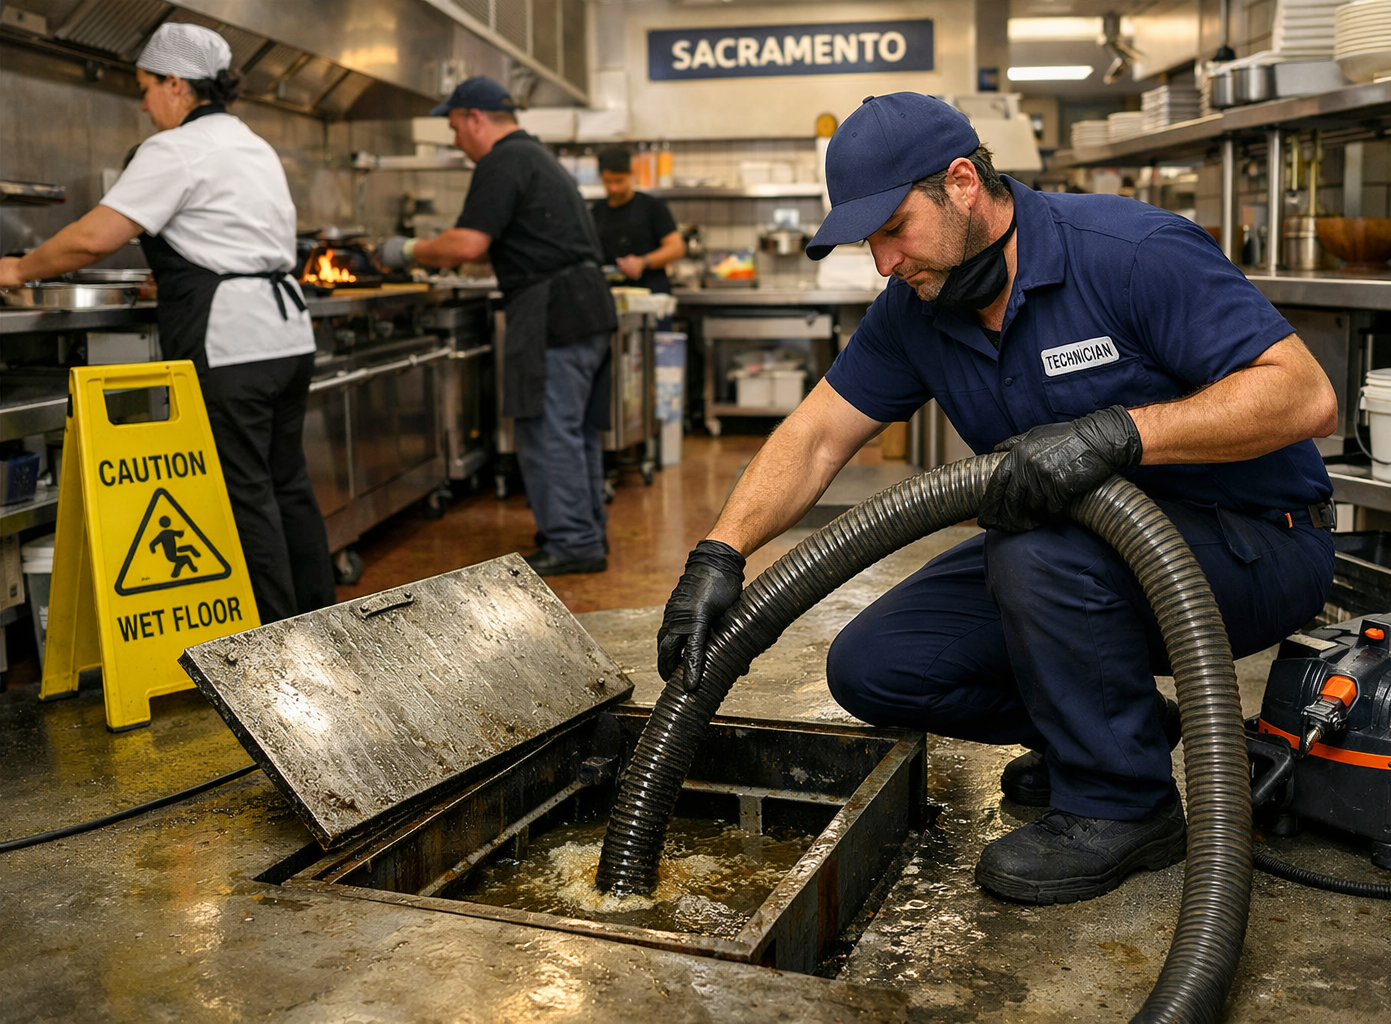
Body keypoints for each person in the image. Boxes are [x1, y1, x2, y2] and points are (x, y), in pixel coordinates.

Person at [655, 93, 1338, 906]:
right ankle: (1122, 731)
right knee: (875, 668)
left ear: (962, 182)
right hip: (1068, 560)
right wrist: (719, 553)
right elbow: (817, 435)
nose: (883, 262)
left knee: (1034, 549)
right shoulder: (916, 310)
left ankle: (1126, 808)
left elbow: (1304, 397)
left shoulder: (1128, 251)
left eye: (894, 229)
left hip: (1252, 547)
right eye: (869, 240)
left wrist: (1118, 434)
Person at [0, 22, 335, 624]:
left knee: (245, 494)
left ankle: (279, 649)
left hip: (231, 343)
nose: (145, 103)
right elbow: (231, 241)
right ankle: (321, 623)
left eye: (145, 87)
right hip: (285, 336)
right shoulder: (250, 143)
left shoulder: (176, 148)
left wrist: (19, 267)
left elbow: (92, 239)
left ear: (176, 84)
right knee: (287, 485)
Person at [380, 77, 616, 577]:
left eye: (453, 127)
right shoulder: (535, 156)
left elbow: (467, 244)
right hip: (585, 307)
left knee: (550, 430)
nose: (454, 140)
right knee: (575, 431)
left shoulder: (502, 161)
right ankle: (582, 532)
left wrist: (404, 250)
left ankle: (573, 542)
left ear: (474, 118)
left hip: (553, 312)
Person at [589, 146, 685, 294]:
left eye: (619, 181)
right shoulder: (596, 212)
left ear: (631, 174)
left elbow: (676, 247)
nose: (614, 188)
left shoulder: (652, 206)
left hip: (651, 294)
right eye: (608, 182)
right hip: (611, 295)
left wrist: (643, 262)